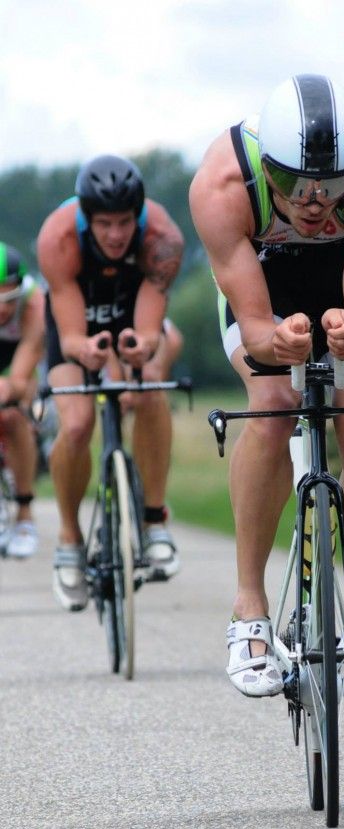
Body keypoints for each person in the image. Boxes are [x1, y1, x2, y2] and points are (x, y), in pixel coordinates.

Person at [190, 74, 344, 725]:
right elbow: (252, 322)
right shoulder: (223, 187)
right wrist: (274, 337)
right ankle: (249, 607)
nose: (315, 203)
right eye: (296, 185)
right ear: (267, 167)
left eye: (332, 185)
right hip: (266, 290)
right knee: (271, 410)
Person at [37, 154, 184, 611]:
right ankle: (68, 537)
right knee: (77, 422)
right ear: (86, 217)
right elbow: (71, 333)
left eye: (124, 222)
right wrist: (85, 351)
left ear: (138, 215)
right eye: (104, 224)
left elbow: (148, 320)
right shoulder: (57, 238)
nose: (116, 235)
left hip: (128, 305)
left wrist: (141, 347)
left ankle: (154, 519)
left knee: (150, 386)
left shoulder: (163, 239)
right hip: (76, 316)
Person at [0, 243, 45, 558]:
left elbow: (19, 379)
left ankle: (25, 513)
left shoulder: (34, 304)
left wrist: (11, 390)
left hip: (17, 359)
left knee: (14, 416)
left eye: (9, 298)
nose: (3, 308)